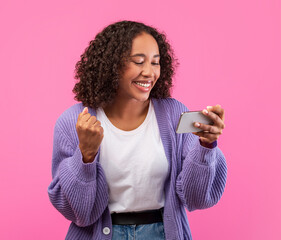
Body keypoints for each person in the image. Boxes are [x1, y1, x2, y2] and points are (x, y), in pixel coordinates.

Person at [48, 20, 227, 240]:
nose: (149, 72)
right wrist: (85, 156)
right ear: (112, 65)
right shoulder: (74, 122)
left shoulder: (174, 115)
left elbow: (196, 198)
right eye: (139, 61)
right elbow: (78, 213)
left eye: (155, 62)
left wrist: (206, 147)